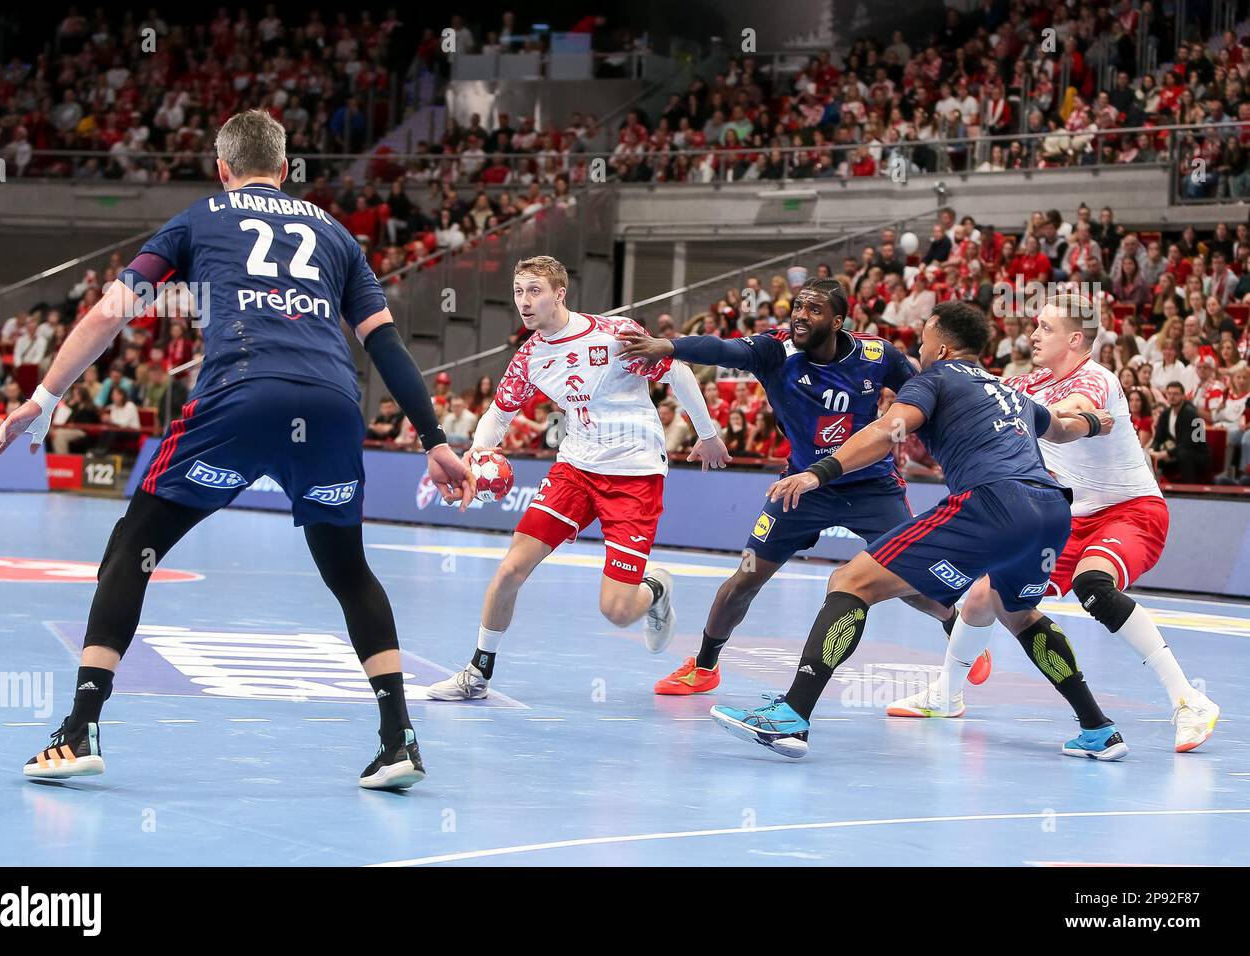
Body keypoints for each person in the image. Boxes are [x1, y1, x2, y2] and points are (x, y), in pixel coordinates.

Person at [0, 109, 474, 791]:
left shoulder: (200, 216)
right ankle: (400, 741)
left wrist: (43, 399)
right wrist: (435, 441)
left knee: (132, 550)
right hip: (332, 408)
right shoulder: (335, 233)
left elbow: (110, 313)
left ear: (222, 168)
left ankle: (79, 731)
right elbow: (384, 344)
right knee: (349, 571)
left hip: (240, 401)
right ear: (284, 168)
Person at [710, 301, 1128, 761]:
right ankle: (1098, 729)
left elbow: (889, 430)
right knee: (1020, 615)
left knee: (849, 582)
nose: (918, 346)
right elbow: (1062, 429)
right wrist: (1092, 423)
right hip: (1050, 511)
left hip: (991, 502)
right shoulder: (1009, 393)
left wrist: (819, 472)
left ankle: (792, 715)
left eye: (924, 338)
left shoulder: (935, 379)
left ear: (943, 346)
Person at [617, 279, 981, 697]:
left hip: (872, 487)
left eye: (814, 310)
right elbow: (722, 349)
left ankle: (960, 629)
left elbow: (926, 396)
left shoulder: (878, 355)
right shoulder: (776, 350)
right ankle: (704, 666)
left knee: (912, 586)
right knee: (745, 579)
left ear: (838, 320)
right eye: (798, 307)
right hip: (801, 487)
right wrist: (670, 346)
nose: (800, 317)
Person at [425, 255, 729, 701]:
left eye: (534, 291)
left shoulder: (614, 334)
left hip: (634, 473)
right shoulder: (530, 356)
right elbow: (499, 413)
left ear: (559, 294)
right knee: (510, 569)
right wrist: (474, 457)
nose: (524, 303)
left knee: (618, 611)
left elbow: (677, 370)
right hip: (575, 469)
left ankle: (655, 587)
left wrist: (708, 434)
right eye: (518, 292)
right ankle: (477, 674)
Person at [932, 293, 1218, 752]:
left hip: (1132, 511)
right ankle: (945, 695)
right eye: (1035, 325)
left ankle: (1189, 700)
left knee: (1094, 586)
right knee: (987, 594)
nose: (1033, 334)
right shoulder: (1033, 383)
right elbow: (989, 395)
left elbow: (1074, 409)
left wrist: (1061, 417)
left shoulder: (1096, 379)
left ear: (1076, 338)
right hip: (1072, 518)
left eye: (1045, 327)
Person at [1149, 381, 1205, 482]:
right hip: (1176, 452)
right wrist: (1153, 450)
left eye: (1175, 394)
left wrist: (1168, 453)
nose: (1172, 397)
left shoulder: (1192, 414)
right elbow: (1158, 438)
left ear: (1183, 396)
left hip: (1197, 455)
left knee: (1184, 454)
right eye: (1169, 394)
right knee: (1150, 456)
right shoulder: (1165, 414)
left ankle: (1189, 490)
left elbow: (1192, 443)